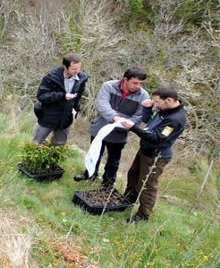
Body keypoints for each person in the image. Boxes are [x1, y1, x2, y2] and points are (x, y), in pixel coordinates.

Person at [74, 67, 150, 188]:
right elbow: (102, 104)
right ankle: (89, 175)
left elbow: (139, 116)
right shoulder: (108, 86)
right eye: (135, 83)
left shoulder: (143, 95)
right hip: (100, 128)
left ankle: (107, 184)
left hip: (120, 134)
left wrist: (127, 123)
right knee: (95, 153)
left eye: (141, 83)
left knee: (113, 160)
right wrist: (114, 117)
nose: (138, 86)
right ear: (125, 79)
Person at [122, 85, 186, 222]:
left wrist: (133, 128)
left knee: (147, 185)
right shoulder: (165, 109)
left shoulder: (175, 119)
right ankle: (128, 200)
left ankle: (143, 215)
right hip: (145, 150)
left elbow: (157, 138)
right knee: (133, 175)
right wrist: (147, 108)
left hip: (156, 156)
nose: (155, 104)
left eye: (157, 102)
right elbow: (148, 122)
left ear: (168, 100)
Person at [32, 53, 89, 145]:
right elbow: (41, 95)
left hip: (65, 119)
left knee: (58, 148)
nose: (77, 71)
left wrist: (75, 111)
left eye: (79, 68)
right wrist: (62, 96)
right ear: (65, 67)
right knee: (35, 145)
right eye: (74, 69)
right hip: (48, 117)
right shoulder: (51, 77)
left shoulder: (81, 79)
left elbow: (77, 98)